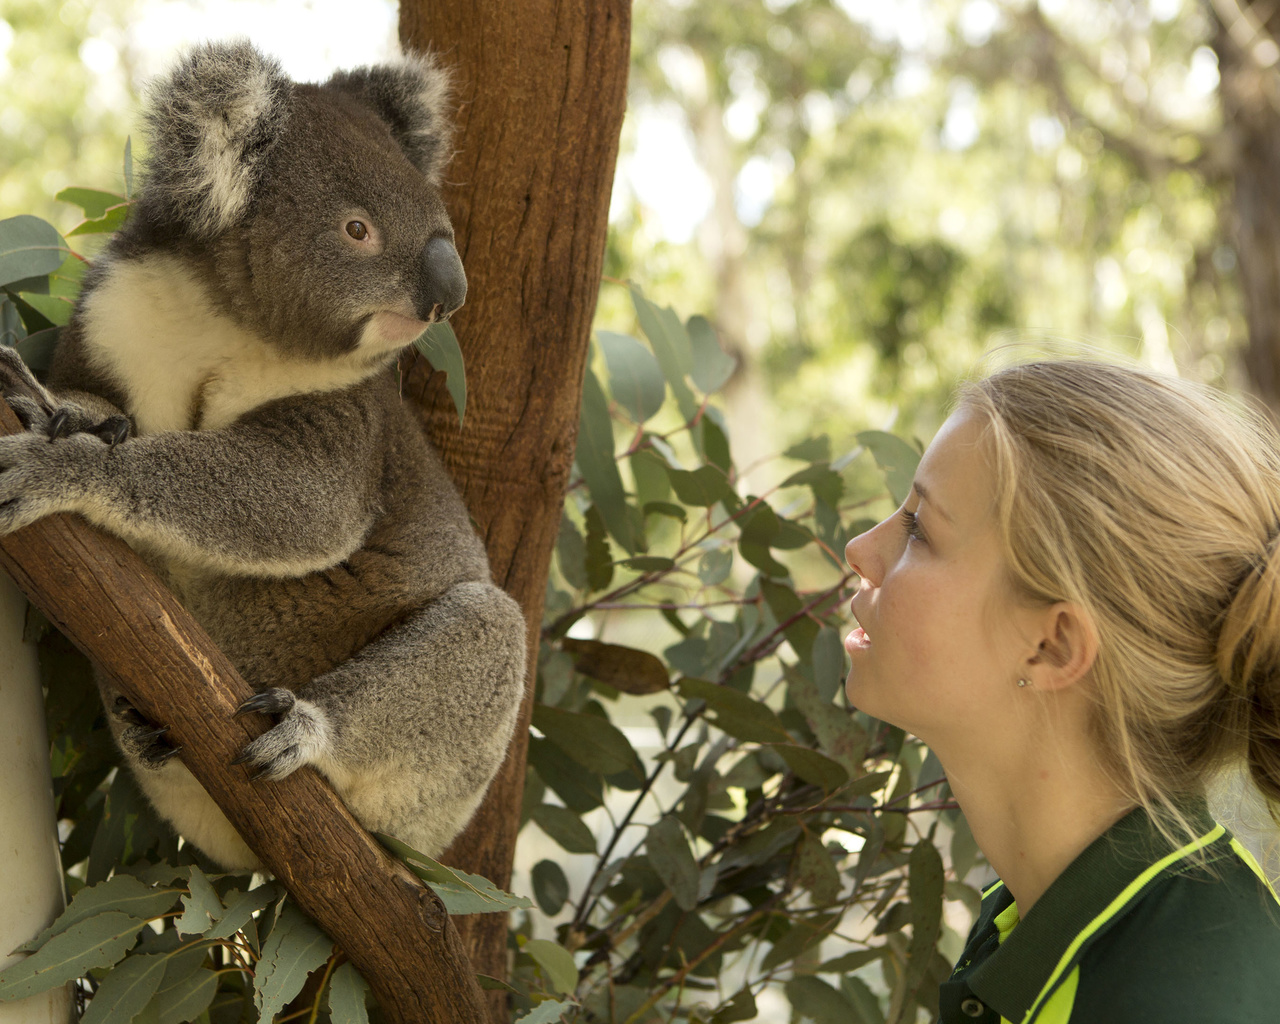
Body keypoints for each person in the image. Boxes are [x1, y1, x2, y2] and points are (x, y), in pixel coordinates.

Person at [843, 359, 1280, 1023]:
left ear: (1053, 647)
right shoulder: (1041, 914)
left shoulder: (1177, 998)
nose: (861, 549)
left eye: (920, 531)